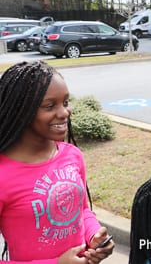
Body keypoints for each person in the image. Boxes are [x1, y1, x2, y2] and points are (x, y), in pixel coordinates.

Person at [0, 61, 114, 263]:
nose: (64, 113)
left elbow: (81, 211)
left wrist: (94, 234)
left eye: (66, 102)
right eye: (50, 106)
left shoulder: (73, 155)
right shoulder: (3, 174)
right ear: (21, 110)